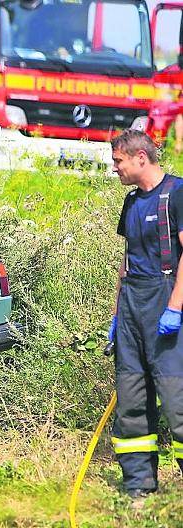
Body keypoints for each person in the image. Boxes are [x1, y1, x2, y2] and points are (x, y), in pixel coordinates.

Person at [110, 129, 183, 498]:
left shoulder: (177, 193)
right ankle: (139, 487)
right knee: (132, 402)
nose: (115, 169)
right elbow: (126, 261)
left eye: (118, 161)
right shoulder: (130, 202)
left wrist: (175, 308)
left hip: (167, 305)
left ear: (141, 158)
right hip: (132, 308)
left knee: (178, 403)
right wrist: (116, 314)